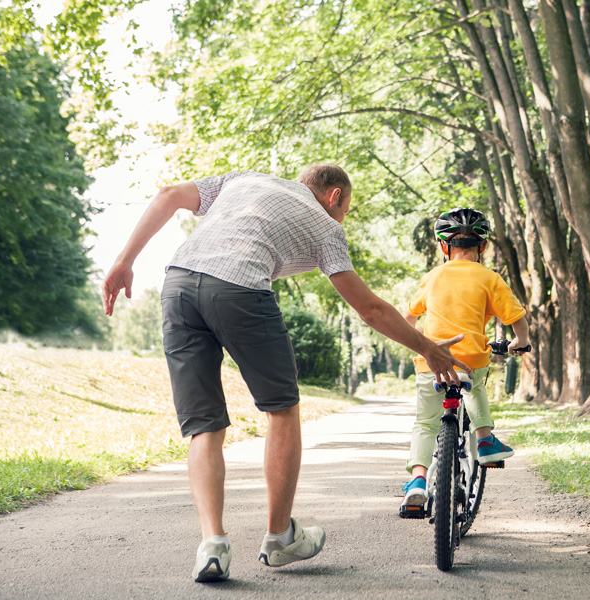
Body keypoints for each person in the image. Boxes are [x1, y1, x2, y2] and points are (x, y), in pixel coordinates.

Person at [100, 165, 470, 582]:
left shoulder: (244, 179)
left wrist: (123, 260)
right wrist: (428, 349)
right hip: (239, 289)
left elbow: (167, 194)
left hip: (179, 285)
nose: (342, 218)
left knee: (203, 426)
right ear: (334, 197)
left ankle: (213, 545)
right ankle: (279, 538)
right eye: (346, 209)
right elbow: (370, 309)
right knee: (282, 409)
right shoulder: (326, 226)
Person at [400, 207, 529, 512]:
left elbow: (408, 317)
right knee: (476, 387)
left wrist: (418, 344)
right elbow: (516, 318)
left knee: (425, 423)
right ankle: (484, 439)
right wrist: (519, 342)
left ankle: (418, 480)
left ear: (443, 247)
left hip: (431, 359)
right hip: (471, 356)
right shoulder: (489, 277)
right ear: (483, 246)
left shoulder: (433, 276)